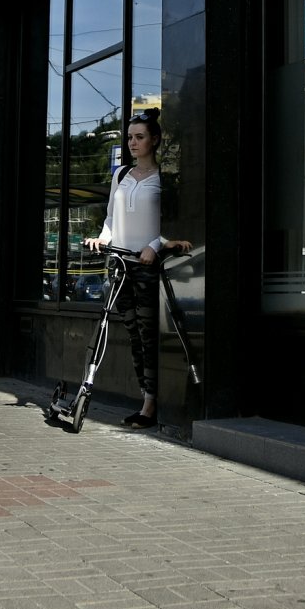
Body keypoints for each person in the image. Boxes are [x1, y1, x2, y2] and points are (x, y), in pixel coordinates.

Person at [83, 109, 190, 429]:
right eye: (130, 137)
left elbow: (176, 223)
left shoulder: (165, 179)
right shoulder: (121, 175)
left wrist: (155, 245)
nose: (133, 142)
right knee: (132, 333)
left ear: (154, 140)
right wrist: (101, 239)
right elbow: (111, 220)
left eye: (139, 137)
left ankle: (151, 404)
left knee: (148, 336)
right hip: (119, 265)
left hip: (147, 268)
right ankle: (146, 397)